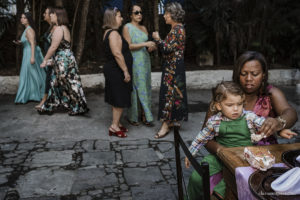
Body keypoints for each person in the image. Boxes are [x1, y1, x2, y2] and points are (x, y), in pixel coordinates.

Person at [187, 51, 299, 199]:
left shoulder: (270, 94)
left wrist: (279, 123)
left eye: (255, 73)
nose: (249, 79)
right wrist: (223, 152)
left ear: (264, 74)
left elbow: (290, 113)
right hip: (226, 154)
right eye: (243, 73)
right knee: (205, 182)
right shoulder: (227, 94)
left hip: (262, 157)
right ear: (237, 74)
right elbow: (205, 135)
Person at [38, 7, 88, 116]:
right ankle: (51, 105)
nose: (51, 15)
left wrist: (45, 60)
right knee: (57, 82)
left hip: (63, 60)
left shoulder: (59, 29)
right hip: (65, 58)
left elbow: (53, 47)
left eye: (53, 14)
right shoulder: (63, 28)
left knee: (67, 83)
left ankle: (77, 106)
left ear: (58, 16)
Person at [152, 2, 188, 138]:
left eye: (167, 13)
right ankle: (174, 120)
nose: (164, 16)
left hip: (172, 68)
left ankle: (165, 125)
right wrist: (157, 44)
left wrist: (157, 39)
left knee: (168, 94)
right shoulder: (177, 29)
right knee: (175, 94)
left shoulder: (177, 29)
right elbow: (170, 47)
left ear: (173, 15)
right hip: (174, 66)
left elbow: (167, 48)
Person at [123, 4, 156, 127]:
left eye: (140, 12)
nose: (139, 14)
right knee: (137, 88)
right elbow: (128, 46)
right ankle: (134, 116)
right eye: (136, 12)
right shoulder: (127, 27)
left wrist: (151, 47)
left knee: (145, 87)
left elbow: (147, 47)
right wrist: (145, 43)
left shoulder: (144, 28)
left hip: (145, 61)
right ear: (130, 15)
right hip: (134, 61)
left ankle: (145, 114)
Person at [102, 7, 133, 138]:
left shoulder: (108, 32)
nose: (122, 18)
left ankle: (117, 122)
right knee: (119, 97)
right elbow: (117, 54)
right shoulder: (113, 33)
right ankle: (114, 127)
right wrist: (125, 71)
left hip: (113, 69)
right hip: (117, 70)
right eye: (119, 16)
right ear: (112, 18)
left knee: (116, 96)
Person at [14, 12, 46, 104]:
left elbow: (33, 44)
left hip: (29, 54)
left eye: (24, 18)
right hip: (27, 52)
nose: (22, 19)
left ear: (28, 19)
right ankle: (32, 94)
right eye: (21, 17)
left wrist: (32, 57)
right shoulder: (27, 29)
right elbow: (29, 41)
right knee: (28, 74)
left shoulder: (29, 30)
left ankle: (41, 93)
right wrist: (21, 42)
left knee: (33, 74)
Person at [35, 6, 56, 109]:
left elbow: (55, 46)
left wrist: (48, 59)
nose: (44, 14)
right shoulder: (49, 27)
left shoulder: (56, 28)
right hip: (49, 58)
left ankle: (44, 100)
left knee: (49, 79)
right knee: (49, 79)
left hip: (53, 59)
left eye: (45, 13)